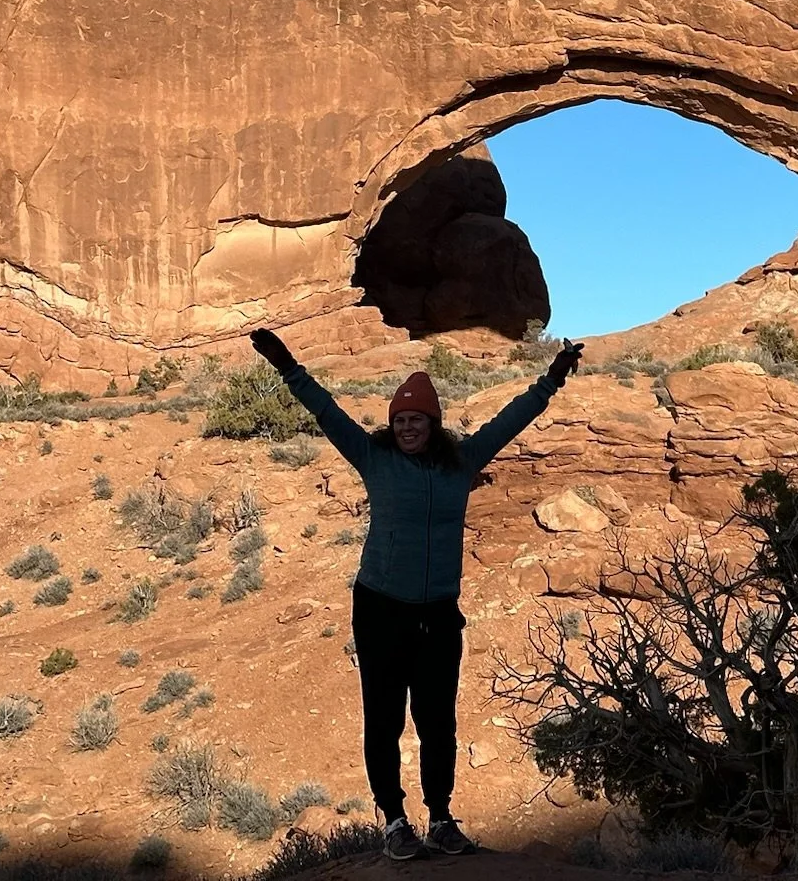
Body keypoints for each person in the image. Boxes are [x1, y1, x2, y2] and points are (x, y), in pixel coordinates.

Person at [249, 327, 583, 861]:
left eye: (417, 420)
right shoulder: (372, 458)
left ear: (433, 424)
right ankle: (394, 819)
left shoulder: (462, 463)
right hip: (381, 607)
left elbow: (511, 420)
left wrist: (550, 382)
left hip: (438, 612)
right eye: (400, 420)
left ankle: (442, 816)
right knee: (384, 717)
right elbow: (326, 411)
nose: (407, 428)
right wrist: (287, 364)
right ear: (392, 426)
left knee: (437, 720)